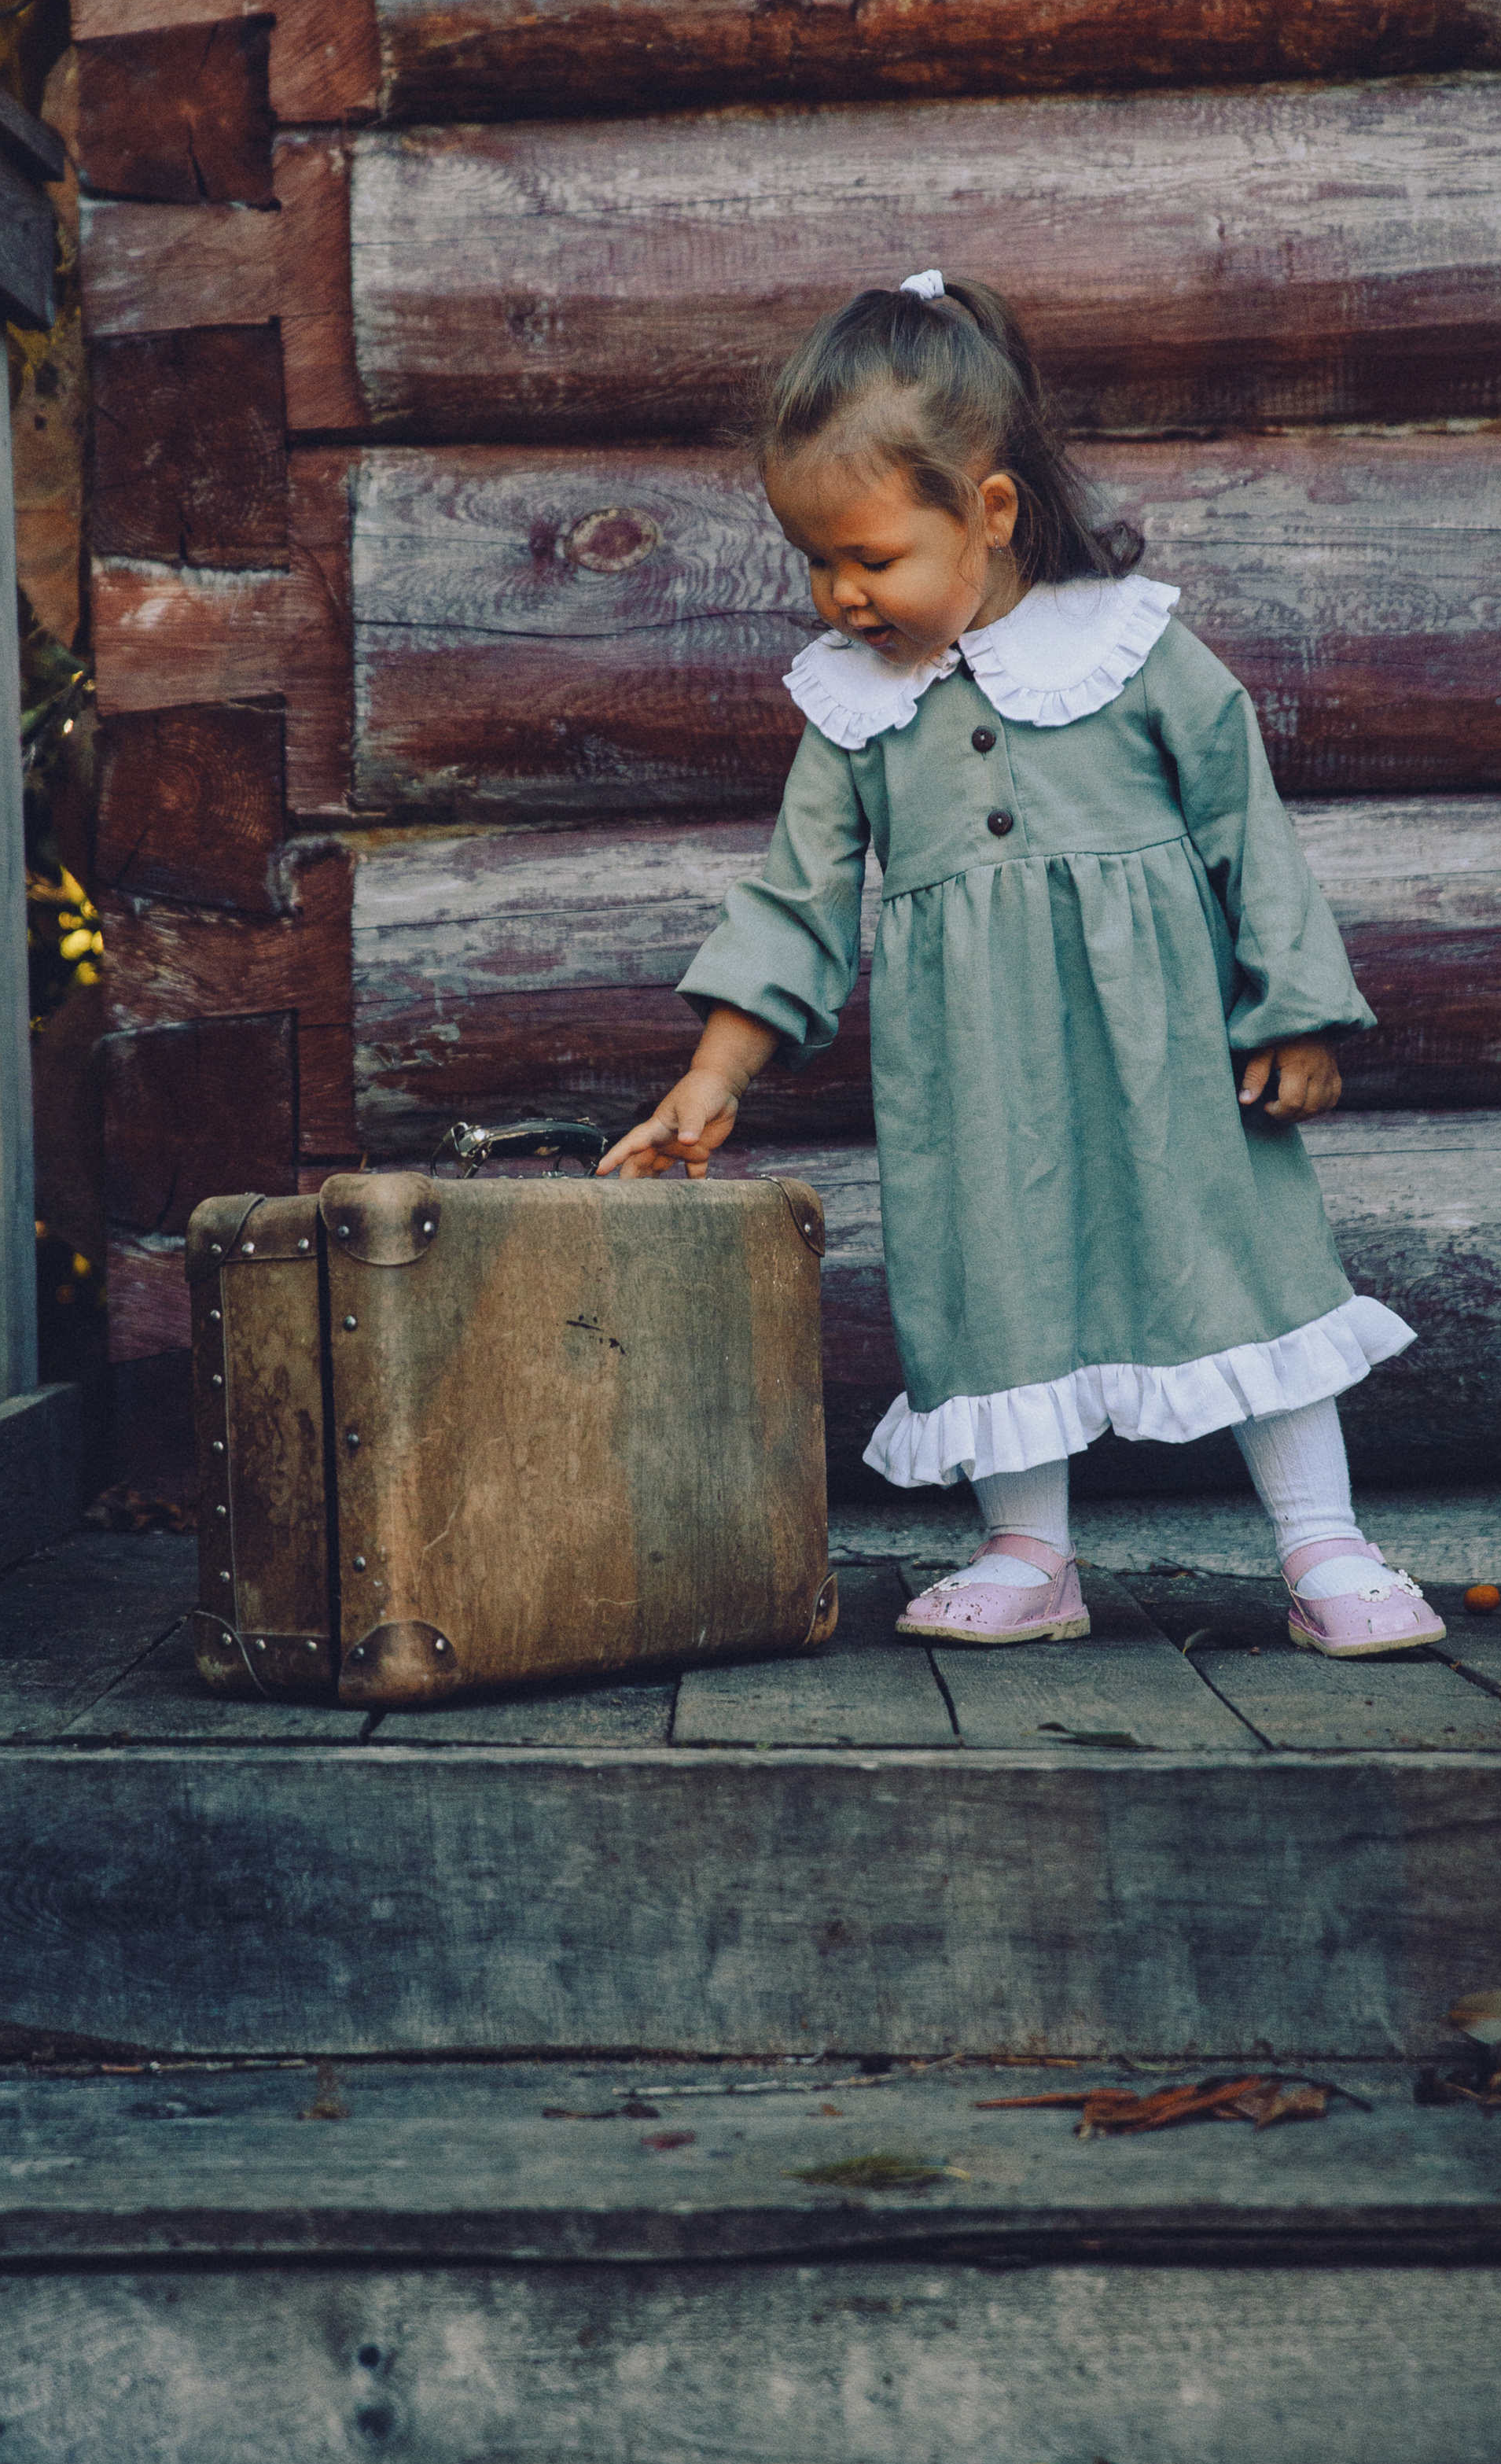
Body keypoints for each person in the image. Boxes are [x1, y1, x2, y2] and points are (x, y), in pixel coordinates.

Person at [597, 271, 1441, 1660]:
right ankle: (1030, 1552)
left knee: (1238, 1258)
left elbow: (1247, 823)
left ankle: (1325, 1545)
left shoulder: (1132, 648)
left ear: (987, 514)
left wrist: (1291, 1009)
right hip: (971, 1066)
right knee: (989, 1268)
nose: (842, 595)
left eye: (871, 556)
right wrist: (715, 1068)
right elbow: (797, 897)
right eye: (815, 561)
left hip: (1169, 1047)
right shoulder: (854, 709)